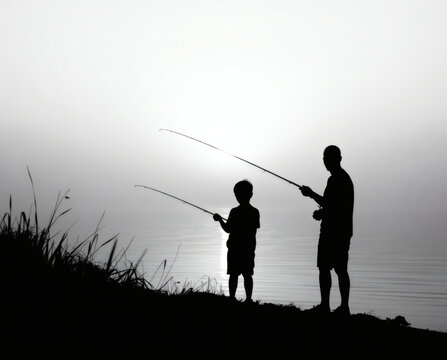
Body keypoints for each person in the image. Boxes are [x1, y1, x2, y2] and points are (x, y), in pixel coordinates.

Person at [300, 145, 354, 316]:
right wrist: (322, 213)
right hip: (340, 230)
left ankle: (329, 306)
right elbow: (334, 206)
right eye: (324, 157)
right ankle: (338, 307)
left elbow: (332, 204)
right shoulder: (340, 178)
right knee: (338, 269)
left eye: (328, 157)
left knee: (329, 268)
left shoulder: (338, 179)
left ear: (338, 159)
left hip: (334, 232)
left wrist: (311, 194)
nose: (325, 160)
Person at [213, 180, 260, 303]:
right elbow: (253, 230)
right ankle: (248, 299)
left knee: (233, 274)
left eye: (237, 194)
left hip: (235, 249)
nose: (237, 197)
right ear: (251, 194)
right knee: (247, 274)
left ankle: (232, 298)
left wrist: (219, 220)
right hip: (249, 249)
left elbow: (228, 229)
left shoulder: (235, 211)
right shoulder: (255, 212)